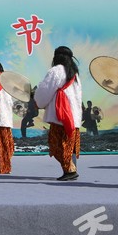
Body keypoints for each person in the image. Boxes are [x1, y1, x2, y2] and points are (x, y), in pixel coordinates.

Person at [34, 46, 82, 181]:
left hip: (61, 115)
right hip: (73, 115)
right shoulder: (75, 74)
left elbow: (45, 90)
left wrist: (38, 101)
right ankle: (71, 169)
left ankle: (70, 170)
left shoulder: (56, 71)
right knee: (69, 145)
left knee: (57, 144)